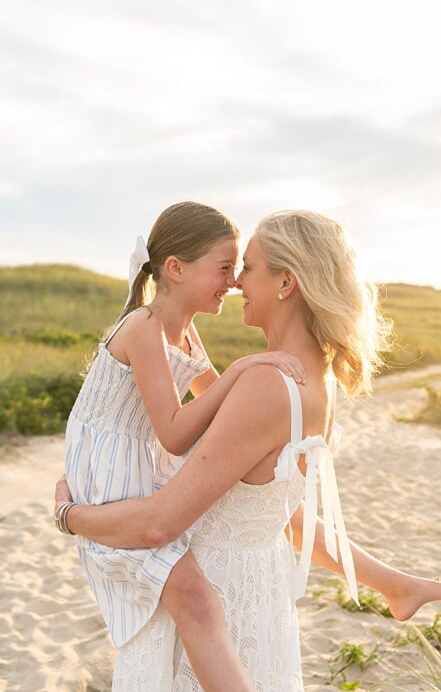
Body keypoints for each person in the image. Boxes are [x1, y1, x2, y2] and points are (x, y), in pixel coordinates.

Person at [56, 209, 441, 690]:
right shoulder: (316, 381)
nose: (235, 283)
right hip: (255, 603)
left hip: (212, 603)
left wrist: (70, 515)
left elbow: (159, 521)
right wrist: (390, 581)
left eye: (247, 268)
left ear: (286, 283)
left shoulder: (268, 385)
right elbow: (273, 510)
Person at [60, 201, 306, 691]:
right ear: (175, 269)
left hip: (137, 467)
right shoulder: (144, 327)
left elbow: (214, 399)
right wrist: (245, 367)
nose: (234, 281)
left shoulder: (186, 333)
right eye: (223, 267)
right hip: (108, 472)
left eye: (237, 270)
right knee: (194, 595)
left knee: (196, 595)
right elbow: (174, 431)